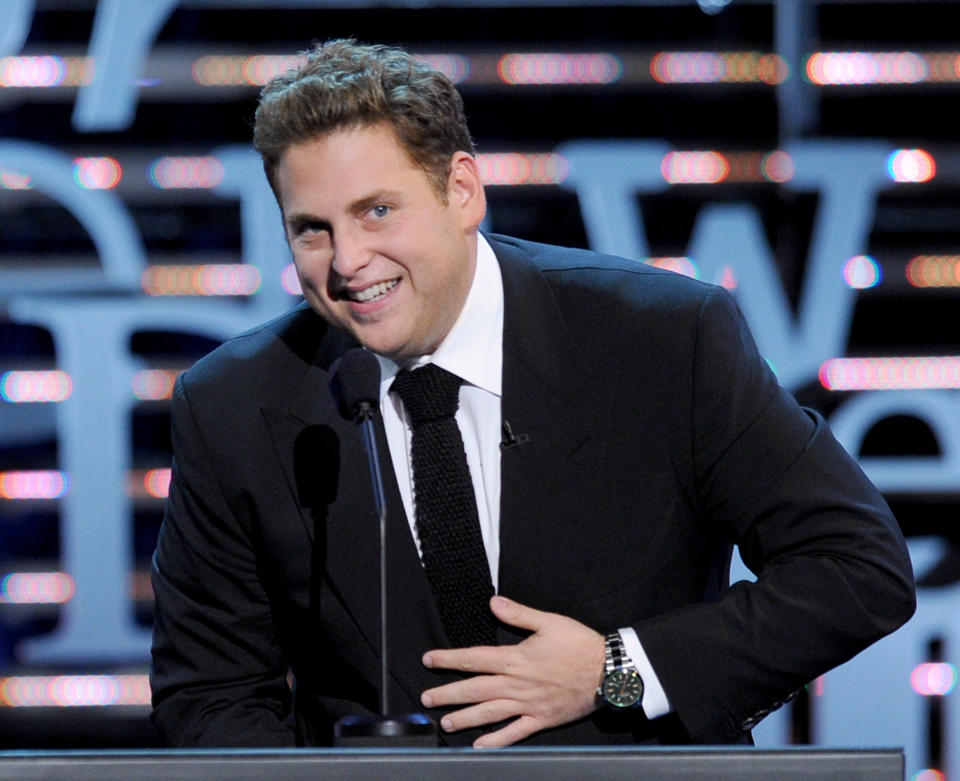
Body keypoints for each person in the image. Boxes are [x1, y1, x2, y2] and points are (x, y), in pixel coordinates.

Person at [149, 39, 915, 748]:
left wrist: (618, 671)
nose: (348, 261)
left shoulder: (661, 339)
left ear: (462, 190)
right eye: (311, 230)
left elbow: (855, 568)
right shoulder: (234, 406)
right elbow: (212, 695)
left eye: (377, 211)